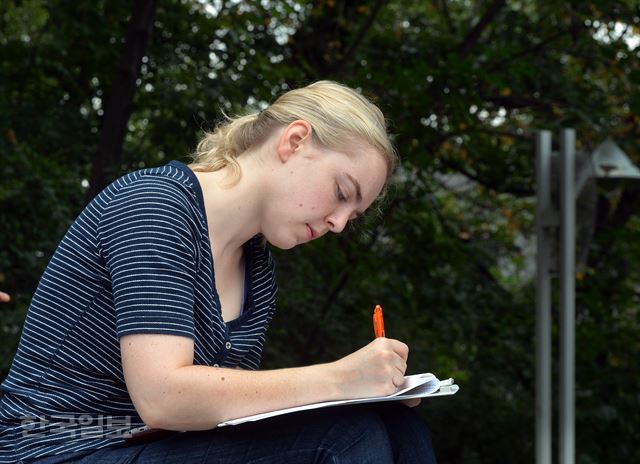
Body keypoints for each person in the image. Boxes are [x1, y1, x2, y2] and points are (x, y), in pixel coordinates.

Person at [0, 81, 437, 463]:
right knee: (347, 434)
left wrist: (367, 392)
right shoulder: (156, 206)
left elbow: (229, 414)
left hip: (147, 446)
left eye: (353, 214)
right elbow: (162, 397)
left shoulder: (257, 271)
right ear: (295, 140)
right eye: (341, 192)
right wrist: (341, 379)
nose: (339, 223)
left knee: (397, 425)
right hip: (55, 446)